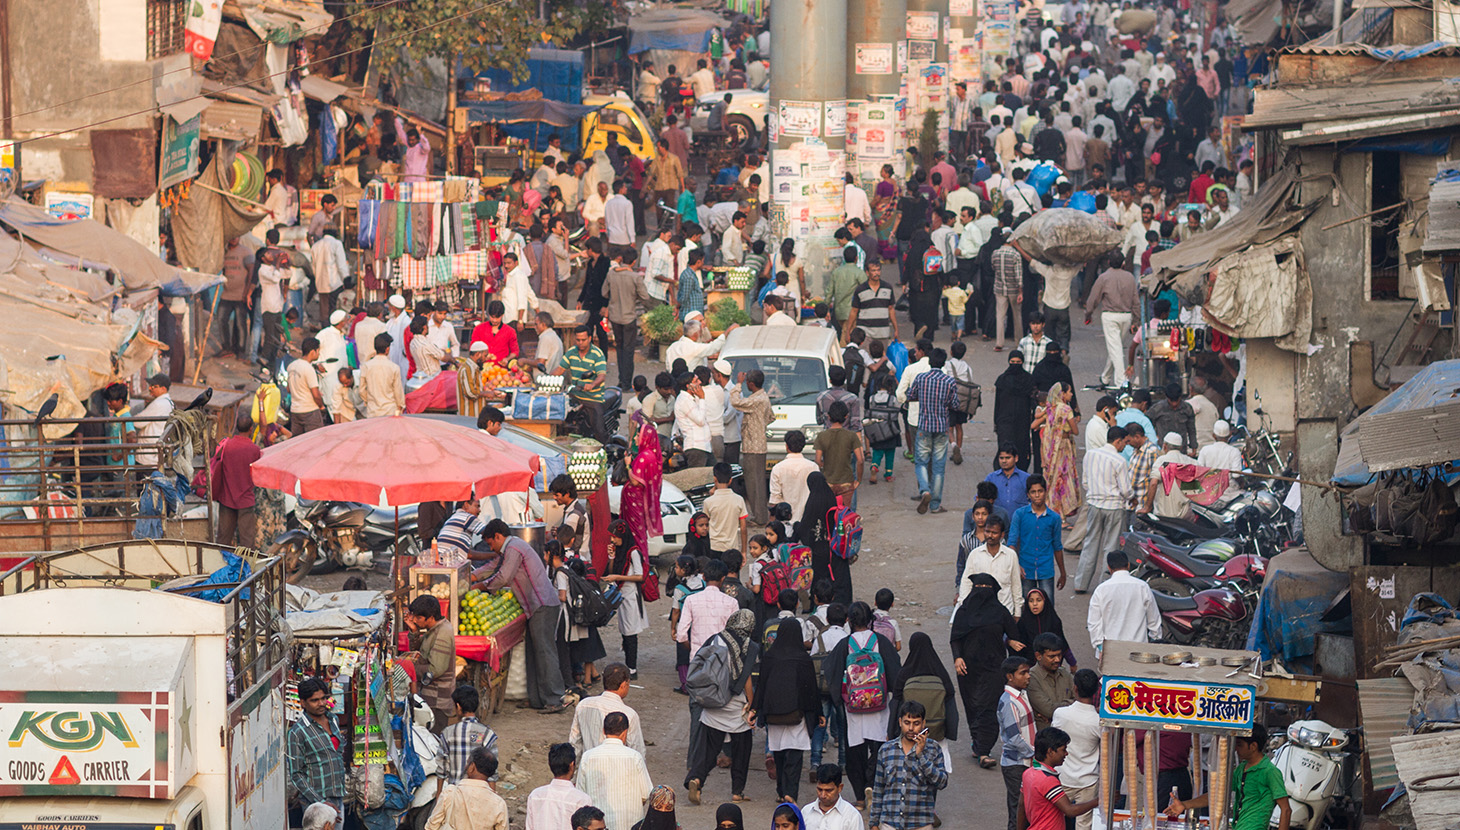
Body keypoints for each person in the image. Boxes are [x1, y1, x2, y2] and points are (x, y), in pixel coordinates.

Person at [474, 520, 569, 712]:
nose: (491, 548)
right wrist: (473, 576)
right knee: (533, 653)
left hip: (542, 604)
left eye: (491, 543)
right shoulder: (510, 549)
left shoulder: (514, 547)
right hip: (534, 607)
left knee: (544, 652)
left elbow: (503, 576)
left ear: (498, 537)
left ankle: (554, 699)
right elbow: (494, 566)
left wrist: (480, 586)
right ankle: (536, 699)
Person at [827, 602, 901, 807]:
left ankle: (860, 797)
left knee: (854, 752)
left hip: (854, 709)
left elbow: (831, 673)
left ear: (849, 620)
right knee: (878, 749)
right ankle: (873, 787)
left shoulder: (845, 644)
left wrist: (839, 700)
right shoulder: (881, 642)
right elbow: (896, 670)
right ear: (870, 620)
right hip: (879, 705)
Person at [951, 573, 1024, 771]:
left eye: (986, 586)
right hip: (968, 670)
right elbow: (955, 637)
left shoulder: (1000, 612)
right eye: (978, 585)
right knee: (973, 705)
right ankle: (977, 742)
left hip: (994, 669)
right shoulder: (963, 611)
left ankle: (984, 751)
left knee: (988, 707)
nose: (982, 590)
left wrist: (1009, 642)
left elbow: (1013, 634)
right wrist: (957, 658)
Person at [685, 609, 758, 804]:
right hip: (737, 709)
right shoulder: (751, 647)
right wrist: (752, 706)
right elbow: (748, 681)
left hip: (713, 704)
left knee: (708, 751)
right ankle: (737, 791)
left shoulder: (715, 639)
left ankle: (696, 778)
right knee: (741, 752)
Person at [752, 617, 825, 804]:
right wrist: (818, 714)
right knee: (795, 755)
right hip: (797, 714)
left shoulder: (770, 657)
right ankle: (790, 793)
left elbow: (761, 685)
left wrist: (755, 709)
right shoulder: (802, 658)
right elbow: (811, 690)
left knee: (779, 753)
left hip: (774, 714)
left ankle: (781, 790)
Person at [1165, 724, 1291, 830]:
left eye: (1240, 745)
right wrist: (1185, 805)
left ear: (1253, 746)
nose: (1236, 749)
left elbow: (1285, 810)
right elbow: (1218, 794)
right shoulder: (1242, 768)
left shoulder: (1269, 771)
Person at [867, 701, 949, 830]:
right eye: (907, 723)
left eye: (916, 723)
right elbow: (878, 788)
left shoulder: (933, 749)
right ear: (900, 722)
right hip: (890, 823)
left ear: (923, 724)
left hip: (921, 823)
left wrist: (921, 756)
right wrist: (874, 823)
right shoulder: (886, 750)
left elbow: (942, 782)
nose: (911, 728)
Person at [887, 632, 958, 775]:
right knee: (935, 769)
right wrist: (950, 730)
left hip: (909, 734)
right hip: (936, 733)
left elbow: (895, 702)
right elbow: (950, 701)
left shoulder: (905, 673)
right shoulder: (939, 671)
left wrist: (891, 731)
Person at [576, 712, 654, 830]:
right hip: (629, 824)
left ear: (603, 730)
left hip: (597, 825)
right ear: (625, 732)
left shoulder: (588, 756)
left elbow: (581, 793)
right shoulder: (634, 756)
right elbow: (646, 793)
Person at [1077, 426, 1131, 592]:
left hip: (1094, 504)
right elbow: (1126, 490)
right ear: (1117, 441)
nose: (1125, 446)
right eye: (1124, 442)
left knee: (1090, 544)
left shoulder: (1090, 455)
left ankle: (1081, 584)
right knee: (1111, 546)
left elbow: (1085, 482)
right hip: (1114, 506)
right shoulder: (1119, 461)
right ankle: (1105, 585)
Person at [907, 348, 959, 515]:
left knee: (921, 461)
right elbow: (955, 404)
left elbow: (910, 395)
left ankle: (925, 490)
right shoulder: (949, 382)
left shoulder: (921, 378)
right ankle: (935, 505)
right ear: (944, 363)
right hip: (942, 428)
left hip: (923, 426)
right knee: (938, 466)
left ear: (929, 362)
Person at [1017, 727, 1100, 830]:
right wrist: (1099, 801)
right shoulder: (1048, 780)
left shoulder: (1028, 773)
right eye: (1063, 750)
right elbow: (1070, 810)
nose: (1066, 753)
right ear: (1051, 751)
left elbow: (1021, 805)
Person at [287, 677, 346, 823]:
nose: (321, 703)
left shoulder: (333, 720)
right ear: (303, 703)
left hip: (337, 795)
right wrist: (320, 802)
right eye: (315, 700)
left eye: (324, 698)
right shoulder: (298, 732)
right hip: (316, 802)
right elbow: (296, 774)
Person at [1049, 670, 1102, 830]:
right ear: (1096, 692)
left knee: (1054, 818)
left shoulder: (1060, 714)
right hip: (1088, 780)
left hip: (1062, 776)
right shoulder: (1098, 722)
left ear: (1075, 688)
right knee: (1084, 824)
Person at [602, 520, 651, 679]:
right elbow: (611, 570)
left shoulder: (633, 552)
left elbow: (639, 576)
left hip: (630, 595)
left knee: (630, 632)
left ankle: (632, 668)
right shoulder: (620, 551)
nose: (612, 540)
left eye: (614, 537)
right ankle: (629, 665)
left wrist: (617, 577)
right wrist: (611, 557)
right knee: (624, 630)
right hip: (621, 595)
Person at [1086, 551, 1161, 654]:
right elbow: (1154, 620)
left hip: (1110, 650)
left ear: (1109, 568)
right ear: (1128, 565)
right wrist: (1155, 640)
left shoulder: (1101, 590)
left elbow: (1093, 623)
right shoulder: (1142, 587)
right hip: (1138, 649)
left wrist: (1100, 647)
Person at [1007, 476, 1066, 599]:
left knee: (1048, 606)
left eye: (1040, 491)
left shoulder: (1054, 518)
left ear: (1046, 492)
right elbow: (1012, 542)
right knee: (1026, 606)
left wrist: (1063, 572)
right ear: (1028, 495)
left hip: (1046, 569)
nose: (1037, 495)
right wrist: (1016, 564)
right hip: (1025, 569)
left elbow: (1057, 546)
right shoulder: (1020, 515)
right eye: (1033, 492)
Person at [405, 594, 457, 731]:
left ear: (431, 617)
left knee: (434, 739)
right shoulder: (433, 630)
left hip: (437, 701)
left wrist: (409, 668)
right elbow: (419, 651)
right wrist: (414, 631)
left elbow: (436, 669)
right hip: (429, 696)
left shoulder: (443, 633)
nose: (415, 620)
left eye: (419, 618)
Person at [570, 663, 646, 756]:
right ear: (623, 684)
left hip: (588, 766)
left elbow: (575, 742)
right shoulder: (629, 714)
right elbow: (637, 751)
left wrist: (577, 768)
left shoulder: (583, 705)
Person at [730, 369, 775, 525]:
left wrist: (738, 384)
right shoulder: (763, 397)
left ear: (750, 383)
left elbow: (736, 402)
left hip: (753, 447)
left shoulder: (757, 400)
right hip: (759, 444)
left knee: (754, 483)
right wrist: (758, 425)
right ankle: (760, 515)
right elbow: (771, 416)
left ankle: (759, 517)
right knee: (757, 482)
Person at [799, 473, 852, 606]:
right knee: (839, 576)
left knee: (819, 577)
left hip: (819, 550)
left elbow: (805, 526)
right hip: (836, 546)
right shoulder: (833, 499)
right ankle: (842, 603)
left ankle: (819, 603)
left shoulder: (812, 503)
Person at [604, 248, 653, 389]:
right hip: (628, 317)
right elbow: (645, 297)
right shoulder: (635, 277)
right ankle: (626, 383)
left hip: (615, 316)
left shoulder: (611, 274)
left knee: (619, 348)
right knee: (628, 350)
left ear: (621, 259)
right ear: (633, 261)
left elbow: (604, 292)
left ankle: (621, 380)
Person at [998, 657, 1036, 830]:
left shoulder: (1021, 696)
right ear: (1010, 676)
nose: (1028, 676)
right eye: (1023, 673)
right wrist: (1034, 752)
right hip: (1016, 764)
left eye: (1028, 672)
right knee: (1018, 810)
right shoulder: (1009, 702)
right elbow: (1014, 739)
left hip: (1025, 761)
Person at [213, 412, 261, 548]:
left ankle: (220, 564)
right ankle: (246, 567)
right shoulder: (254, 450)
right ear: (251, 429)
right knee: (247, 540)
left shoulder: (227, 446)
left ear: (237, 428)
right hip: (246, 499)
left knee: (223, 538)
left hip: (227, 497)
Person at [527, 744, 594, 830]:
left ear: (550, 764)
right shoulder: (582, 799)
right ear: (572, 765)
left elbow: (529, 827)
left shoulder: (535, 795)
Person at [441, 685, 497, 784]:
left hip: (455, 793)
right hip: (478, 794)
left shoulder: (447, 733)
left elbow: (441, 769)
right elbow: (492, 773)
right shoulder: (487, 734)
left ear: (458, 707)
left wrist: (439, 796)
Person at [814, 400, 864, 505]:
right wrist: (858, 479)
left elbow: (818, 461)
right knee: (844, 514)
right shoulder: (851, 436)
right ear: (846, 417)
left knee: (829, 514)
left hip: (828, 482)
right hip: (846, 482)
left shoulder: (821, 436)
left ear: (828, 416)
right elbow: (860, 460)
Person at [993, 353, 1037, 468]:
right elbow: (997, 403)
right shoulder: (1002, 380)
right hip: (1005, 421)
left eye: (1018, 362)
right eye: (1013, 362)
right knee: (1005, 447)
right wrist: (996, 422)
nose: (1015, 365)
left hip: (1022, 421)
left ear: (1022, 362)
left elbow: (1033, 401)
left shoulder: (1028, 379)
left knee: (1021, 448)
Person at [1026, 633, 1074, 730]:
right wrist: (1072, 704)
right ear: (1038, 656)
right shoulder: (1031, 679)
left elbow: (1082, 700)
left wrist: (1054, 713)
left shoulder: (1065, 674)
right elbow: (1048, 710)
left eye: (1059, 655)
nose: (1057, 660)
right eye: (1052, 656)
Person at [770, 429, 818, 524]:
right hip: (807, 521)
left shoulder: (778, 468)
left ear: (787, 446)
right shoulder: (813, 467)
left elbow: (775, 500)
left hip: (785, 522)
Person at [1147, 432, 1199, 518]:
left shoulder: (1162, 461)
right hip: (1185, 513)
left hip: (1163, 514)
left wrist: (1147, 507)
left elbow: (1153, 484)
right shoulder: (1191, 462)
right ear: (1181, 447)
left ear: (1165, 446)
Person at [803, 764, 864, 830]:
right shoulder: (806, 812)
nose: (823, 795)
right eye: (820, 789)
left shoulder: (852, 816)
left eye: (828, 790)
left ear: (840, 788)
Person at [1148, 382, 1198, 455]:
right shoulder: (1158, 408)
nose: (1174, 404)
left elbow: (1191, 429)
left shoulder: (1187, 409)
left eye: (1176, 401)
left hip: (1181, 451)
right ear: (1167, 397)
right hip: (1163, 450)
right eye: (1171, 401)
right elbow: (1146, 423)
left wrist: (1194, 448)